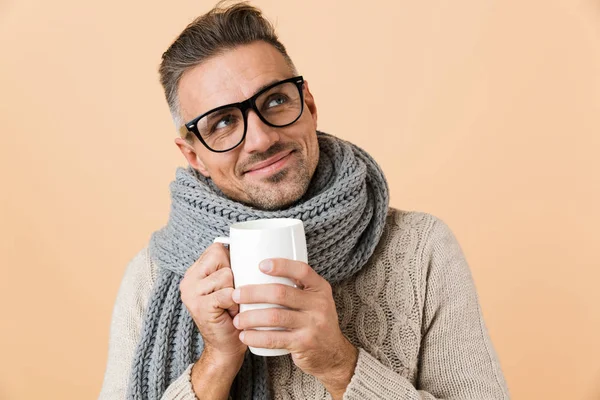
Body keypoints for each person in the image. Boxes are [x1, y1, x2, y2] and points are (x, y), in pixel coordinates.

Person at [99, 2, 510, 399]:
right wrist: (217, 361)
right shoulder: (153, 276)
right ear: (193, 156)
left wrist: (339, 364)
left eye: (275, 100)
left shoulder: (421, 250)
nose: (261, 139)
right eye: (223, 122)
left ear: (309, 105)